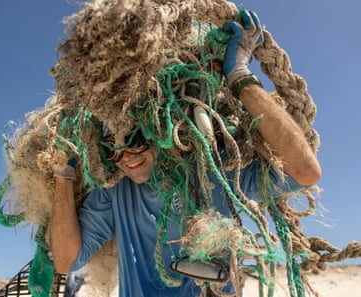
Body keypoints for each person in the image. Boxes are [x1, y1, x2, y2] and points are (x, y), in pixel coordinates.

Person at [49, 10, 321, 297]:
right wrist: (63, 171)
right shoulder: (114, 191)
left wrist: (239, 75)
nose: (126, 156)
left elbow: (304, 171)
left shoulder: (215, 170)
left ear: (160, 127)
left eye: (135, 139)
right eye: (110, 148)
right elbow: (67, 260)